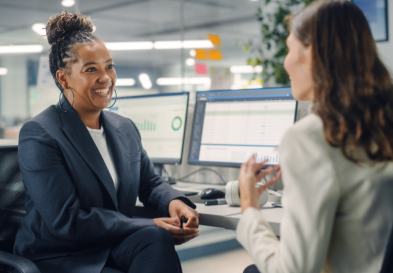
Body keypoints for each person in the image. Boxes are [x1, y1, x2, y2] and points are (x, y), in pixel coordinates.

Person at [14, 12, 199, 273]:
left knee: (156, 240)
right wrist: (150, 224)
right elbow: (66, 221)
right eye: (91, 69)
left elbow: (150, 182)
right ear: (63, 78)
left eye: (109, 66)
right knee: (155, 235)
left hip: (107, 243)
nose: (106, 78)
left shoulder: (124, 127)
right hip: (59, 254)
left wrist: (174, 202)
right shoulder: (40, 133)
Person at [236, 0, 393, 272]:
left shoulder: (309, 137)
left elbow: (293, 269)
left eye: (289, 49)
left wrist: (249, 206)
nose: (285, 63)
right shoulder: (381, 119)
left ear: (314, 55)